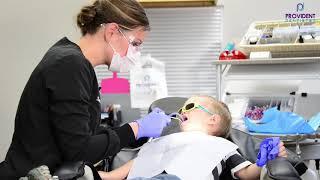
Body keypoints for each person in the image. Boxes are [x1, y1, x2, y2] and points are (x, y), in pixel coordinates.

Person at [0, 0, 171, 179]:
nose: (137, 52)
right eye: (135, 43)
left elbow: (83, 135)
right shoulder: (69, 64)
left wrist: (138, 131)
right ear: (112, 32)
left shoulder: (76, 63)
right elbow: (79, 149)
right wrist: (136, 128)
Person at [98, 95, 287, 180]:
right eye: (181, 109)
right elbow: (125, 170)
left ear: (213, 120)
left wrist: (263, 161)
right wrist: (97, 174)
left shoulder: (221, 146)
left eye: (189, 107)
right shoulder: (160, 142)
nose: (181, 111)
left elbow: (246, 175)